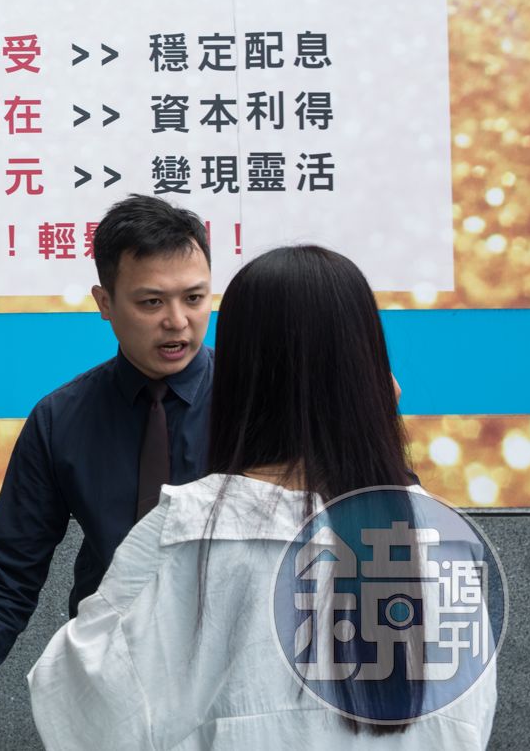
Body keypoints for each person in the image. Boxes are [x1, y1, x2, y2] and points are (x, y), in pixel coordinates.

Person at [27, 245, 497, 748]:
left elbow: (77, 703)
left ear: (239, 373)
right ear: (371, 369)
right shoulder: (440, 538)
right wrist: (382, 440)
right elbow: (469, 723)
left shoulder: (186, 527)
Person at [0, 194, 214, 747]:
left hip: (230, 682)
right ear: (105, 302)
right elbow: (10, 577)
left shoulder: (260, 407)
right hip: (112, 687)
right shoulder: (61, 419)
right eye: (151, 301)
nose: (177, 321)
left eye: (194, 297)